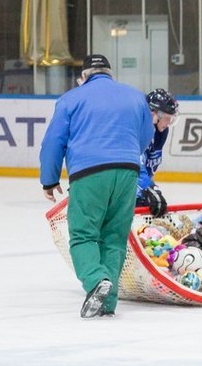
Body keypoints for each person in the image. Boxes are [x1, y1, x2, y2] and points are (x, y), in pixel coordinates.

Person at [39, 54, 151, 319]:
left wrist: (49, 179)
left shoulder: (71, 99)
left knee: (83, 235)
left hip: (89, 173)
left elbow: (54, 141)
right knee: (114, 237)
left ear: (84, 77)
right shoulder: (136, 97)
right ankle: (106, 303)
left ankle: (95, 279)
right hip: (127, 172)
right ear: (110, 74)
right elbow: (145, 138)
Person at [135, 88, 179, 217]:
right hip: (126, 193)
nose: (169, 122)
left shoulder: (162, 131)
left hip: (140, 191)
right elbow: (136, 163)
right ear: (155, 114)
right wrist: (149, 187)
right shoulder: (140, 129)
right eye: (167, 118)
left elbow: (150, 162)